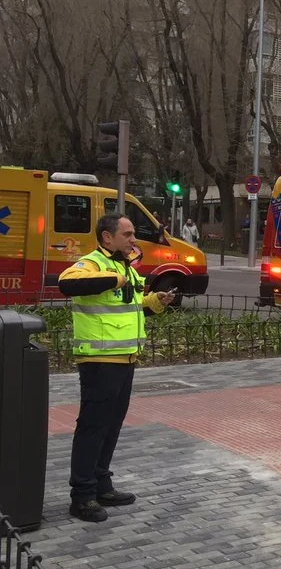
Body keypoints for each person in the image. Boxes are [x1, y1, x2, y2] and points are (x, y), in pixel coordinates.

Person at [58, 213, 175, 522]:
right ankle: (81, 497)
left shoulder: (126, 267)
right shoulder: (94, 263)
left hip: (125, 358)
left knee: (111, 426)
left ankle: (101, 484)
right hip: (99, 362)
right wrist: (117, 277)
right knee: (93, 427)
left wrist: (154, 302)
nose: (133, 239)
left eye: (133, 234)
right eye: (128, 234)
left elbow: (128, 307)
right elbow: (66, 283)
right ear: (107, 237)